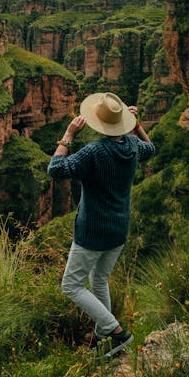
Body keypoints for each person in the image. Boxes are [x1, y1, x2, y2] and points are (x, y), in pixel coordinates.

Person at [47, 91, 155, 359]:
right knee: (99, 279)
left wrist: (68, 135)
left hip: (93, 231)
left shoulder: (95, 152)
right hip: (118, 229)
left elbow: (56, 169)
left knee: (70, 285)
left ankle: (116, 331)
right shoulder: (131, 146)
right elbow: (150, 148)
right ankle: (101, 337)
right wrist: (138, 126)